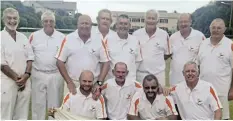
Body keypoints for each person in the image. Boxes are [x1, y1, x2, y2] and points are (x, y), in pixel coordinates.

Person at [56, 15, 110, 95]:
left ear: (91, 26)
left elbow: (106, 62)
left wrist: (99, 83)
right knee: (70, 108)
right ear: (77, 25)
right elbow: (59, 61)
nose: (84, 26)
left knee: (92, 107)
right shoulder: (68, 39)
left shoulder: (99, 39)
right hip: (73, 83)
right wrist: (69, 82)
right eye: (82, 23)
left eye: (87, 23)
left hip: (92, 84)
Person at [29, 11, 65, 120]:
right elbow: (29, 55)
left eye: (51, 21)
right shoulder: (33, 36)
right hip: (38, 74)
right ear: (42, 22)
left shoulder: (62, 37)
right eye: (46, 21)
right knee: (38, 104)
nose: (48, 23)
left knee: (54, 107)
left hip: (55, 74)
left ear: (55, 23)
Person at [1, 7, 34, 120]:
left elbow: (30, 58)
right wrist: (18, 80)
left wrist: (26, 75)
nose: (12, 21)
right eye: (9, 18)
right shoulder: (1, 37)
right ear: (3, 19)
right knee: (6, 115)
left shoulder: (23, 37)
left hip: (25, 82)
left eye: (15, 18)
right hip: (7, 83)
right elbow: (2, 65)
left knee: (22, 115)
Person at [197, 18, 233, 120]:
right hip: (204, 90)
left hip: (222, 90)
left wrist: (232, 89)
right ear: (210, 28)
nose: (216, 30)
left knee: (222, 117)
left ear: (224, 29)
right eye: (213, 27)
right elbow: (198, 66)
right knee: (205, 116)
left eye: (219, 28)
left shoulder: (230, 45)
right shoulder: (203, 43)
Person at [133, 9, 171, 85]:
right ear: (145, 20)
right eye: (149, 18)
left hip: (158, 74)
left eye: (153, 18)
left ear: (157, 21)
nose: (150, 21)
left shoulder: (164, 34)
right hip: (141, 74)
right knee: (140, 96)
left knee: (159, 96)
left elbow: (167, 54)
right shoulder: (136, 34)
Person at [169, 13, 206, 86]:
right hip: (175, 79)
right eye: (181, 22)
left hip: (193, 80)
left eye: (185, 21)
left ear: (190, 22)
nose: (183, 24)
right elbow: (169, 55)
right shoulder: (172, 37)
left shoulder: (199, 36)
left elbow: (204, 57)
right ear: (178, 23)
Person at [106, 14, 142, 80]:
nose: (123, 26)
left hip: (130, 81)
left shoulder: (135, 40)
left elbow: (138, 61)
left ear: (129, 26)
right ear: (116, 25)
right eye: (121, 23)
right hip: (112, 81)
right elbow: (105, 61)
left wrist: (130, 73)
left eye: (125, 24)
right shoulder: (108, 40)